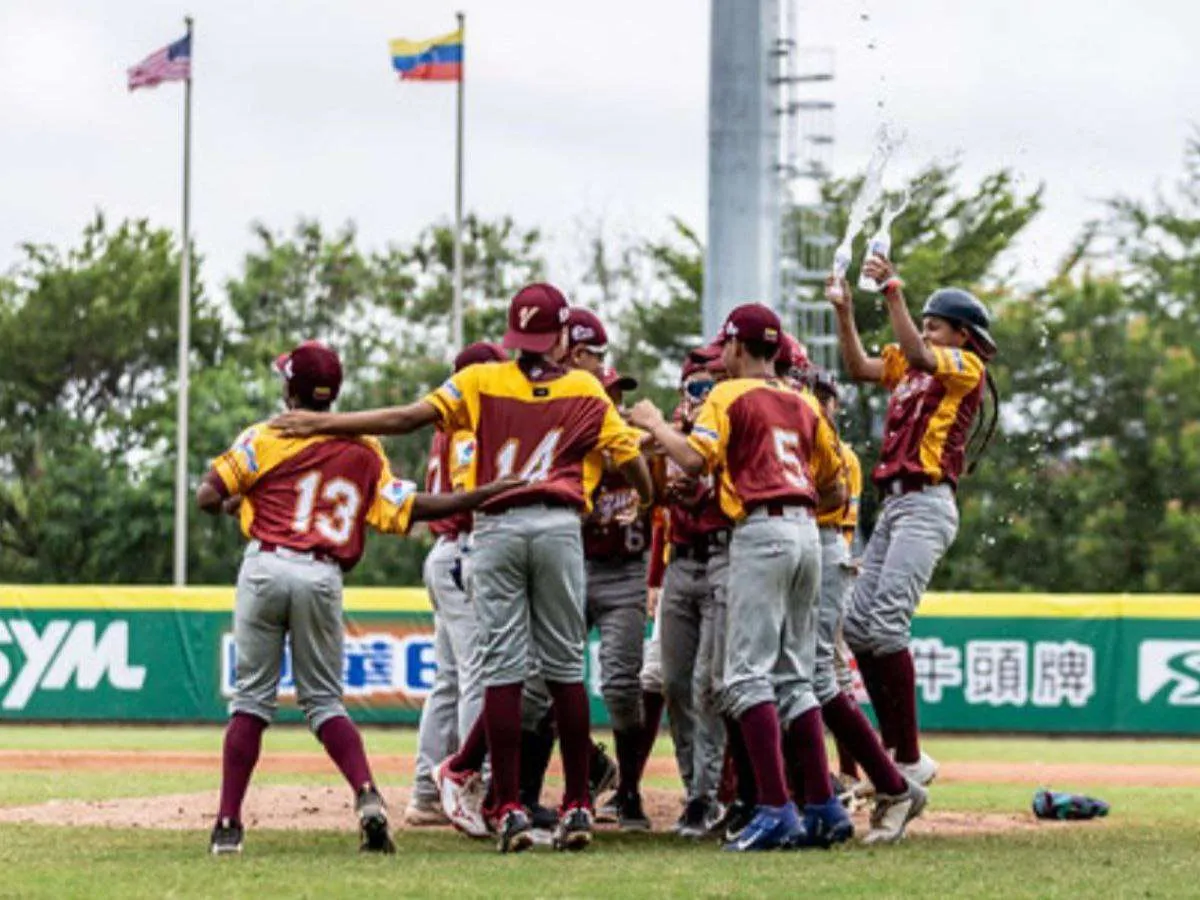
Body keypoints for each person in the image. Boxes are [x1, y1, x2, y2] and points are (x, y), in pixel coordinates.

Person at [273, 284, 653, 854]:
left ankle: (507, 806)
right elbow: (634, 470)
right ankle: (578, 802)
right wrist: (644, 495)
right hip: (557, 527)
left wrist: (323, 424)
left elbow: (407, 418)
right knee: (564, 669)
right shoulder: (585, 389)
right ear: (560, 337)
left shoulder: (481, 380)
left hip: (495, 528)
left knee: (499, 672)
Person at [197, 340, 525, 856]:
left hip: (265, 565)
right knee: (324, 702)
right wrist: (485, 494)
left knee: (252, 702)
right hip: (321, 574)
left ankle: (227, 825)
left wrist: (242, 501)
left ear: (290, 388)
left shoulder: (267, 435)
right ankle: (367, 794)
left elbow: (207, 495)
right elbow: (413, 507)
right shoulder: (366, 450)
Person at [630, 303, 852, 852]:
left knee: (745, 678)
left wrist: (656, 423)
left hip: (761, 531)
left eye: (726, 346)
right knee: (794, 677)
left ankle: (777, 808)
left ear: (734, 347)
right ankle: (823, 806)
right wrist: (795, 499)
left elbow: (696, 459)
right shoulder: (801, 399)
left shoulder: (727, 394)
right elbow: (838, 489)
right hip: (809, 534)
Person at [828, 255, 998, 788]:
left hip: (926, 502)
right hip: (896, 504)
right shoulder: (915, 368)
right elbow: (859, 368)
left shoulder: (966, 366)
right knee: (857, 627)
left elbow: (922, 356)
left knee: (885, 625)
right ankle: (898, 747)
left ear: (963, 336)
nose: (925, 330)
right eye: (923, 320)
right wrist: (845, 312)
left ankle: (908, 754)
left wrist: (894, 292)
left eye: (936, 323)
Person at [802, 367, 928, 844]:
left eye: (823, 395)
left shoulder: (834, 447)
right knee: (813, 676)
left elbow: (833, 503)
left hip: (827, 553)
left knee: (822, 677)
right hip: (817, 555)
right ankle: (840, 779)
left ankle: (883, 772)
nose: (819, 401)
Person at [406, 341, 508, 827]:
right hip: (462, 551)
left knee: (449, 679)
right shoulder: (467, 428)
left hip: (445, 555)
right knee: (478, 675)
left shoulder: (447, 427)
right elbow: (469, 500)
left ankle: (426, 792)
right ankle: (475, 785)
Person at [650, 348, 731, 838]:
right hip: (681, 561)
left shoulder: (730, 423)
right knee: (676, 683)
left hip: (723, 554)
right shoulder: (674, 432)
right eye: (696, 387)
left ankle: (707, 795)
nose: (704, 396)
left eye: (712, 386)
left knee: (709, 682)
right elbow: (656, 494)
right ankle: (692, 788)